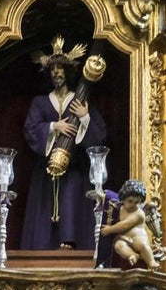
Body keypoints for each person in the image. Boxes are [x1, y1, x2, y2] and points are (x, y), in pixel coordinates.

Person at [21, 37, 107, 251]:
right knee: (44, 206)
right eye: (53, 70)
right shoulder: (40, 102)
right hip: (46, 167)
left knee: (71, 200)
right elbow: (30, 129)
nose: (56, 73)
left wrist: (85, 118)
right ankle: (41, 249)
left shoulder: (80, 100)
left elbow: (100, 136)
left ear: (68, 72)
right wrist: (52, 127)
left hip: (74, 165)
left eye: (60, 69)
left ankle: (70, 242)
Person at [100, 179, 160, 269]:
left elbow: (124, 225)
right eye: (130, 201)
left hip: (137, 238)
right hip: (124, 239)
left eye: (137, 202)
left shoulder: (139, 214)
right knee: (119, 246)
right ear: (123, 199)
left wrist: (110, 229)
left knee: (143, 246)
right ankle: (133, 255)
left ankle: (151, 261)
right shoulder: (120, 210)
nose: (133, 205)